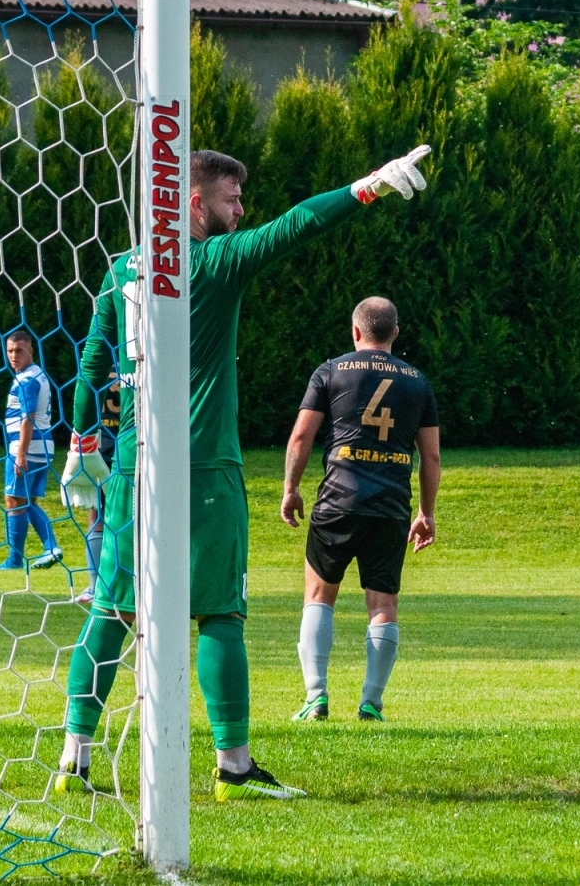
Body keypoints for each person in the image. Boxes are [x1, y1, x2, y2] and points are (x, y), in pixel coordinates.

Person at [54, 144, 432, 800]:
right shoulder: (214, 262)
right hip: (204, 468)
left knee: (113, 610)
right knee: (220, 614)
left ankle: (73, 759)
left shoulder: (122, 271)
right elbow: (297, 225)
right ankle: (234, 767)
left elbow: (91, 364)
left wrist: (83, 443)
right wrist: (368, 186)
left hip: (130, 470)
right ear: (195, 203)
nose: (241, 210)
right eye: (231, 199)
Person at [281, 296, 440, 723]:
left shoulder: (331, 371)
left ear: (355, 332)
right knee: (382, 603)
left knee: (319, 596)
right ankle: (371, 702)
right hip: (390, 505)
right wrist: (426, 513)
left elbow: (301, 438)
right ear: (395, 334)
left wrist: (290, 488)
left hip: (338, 498)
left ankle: (316, 697)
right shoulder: (417, 381)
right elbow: (432, 458)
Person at [0, 330, 62, 570]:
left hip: (27, 447)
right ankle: (50, 548)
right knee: (27, 502)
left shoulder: (27, 381)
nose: (14, 356)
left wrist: (20, 454)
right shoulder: (38, 375)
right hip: (44, 446)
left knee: (14, 500)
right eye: (10, 351)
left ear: (31, 350)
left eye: (19, 351)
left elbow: (28, 418)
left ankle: (15, 560)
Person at [71, 371, 120, 605]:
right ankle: (123, 583)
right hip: (130, 444)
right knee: (131, 514)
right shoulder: (136, 360)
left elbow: (84, 405)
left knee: (96, 515)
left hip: (100, 445)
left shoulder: (97, 364)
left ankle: (95, 586)